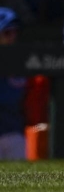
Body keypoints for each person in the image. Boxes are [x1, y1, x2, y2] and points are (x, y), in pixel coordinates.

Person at [0, 9, 30, 160]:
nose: (12, 37)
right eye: (6, 33)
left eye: (14, 33)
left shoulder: (21, 62)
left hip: (14, 134)